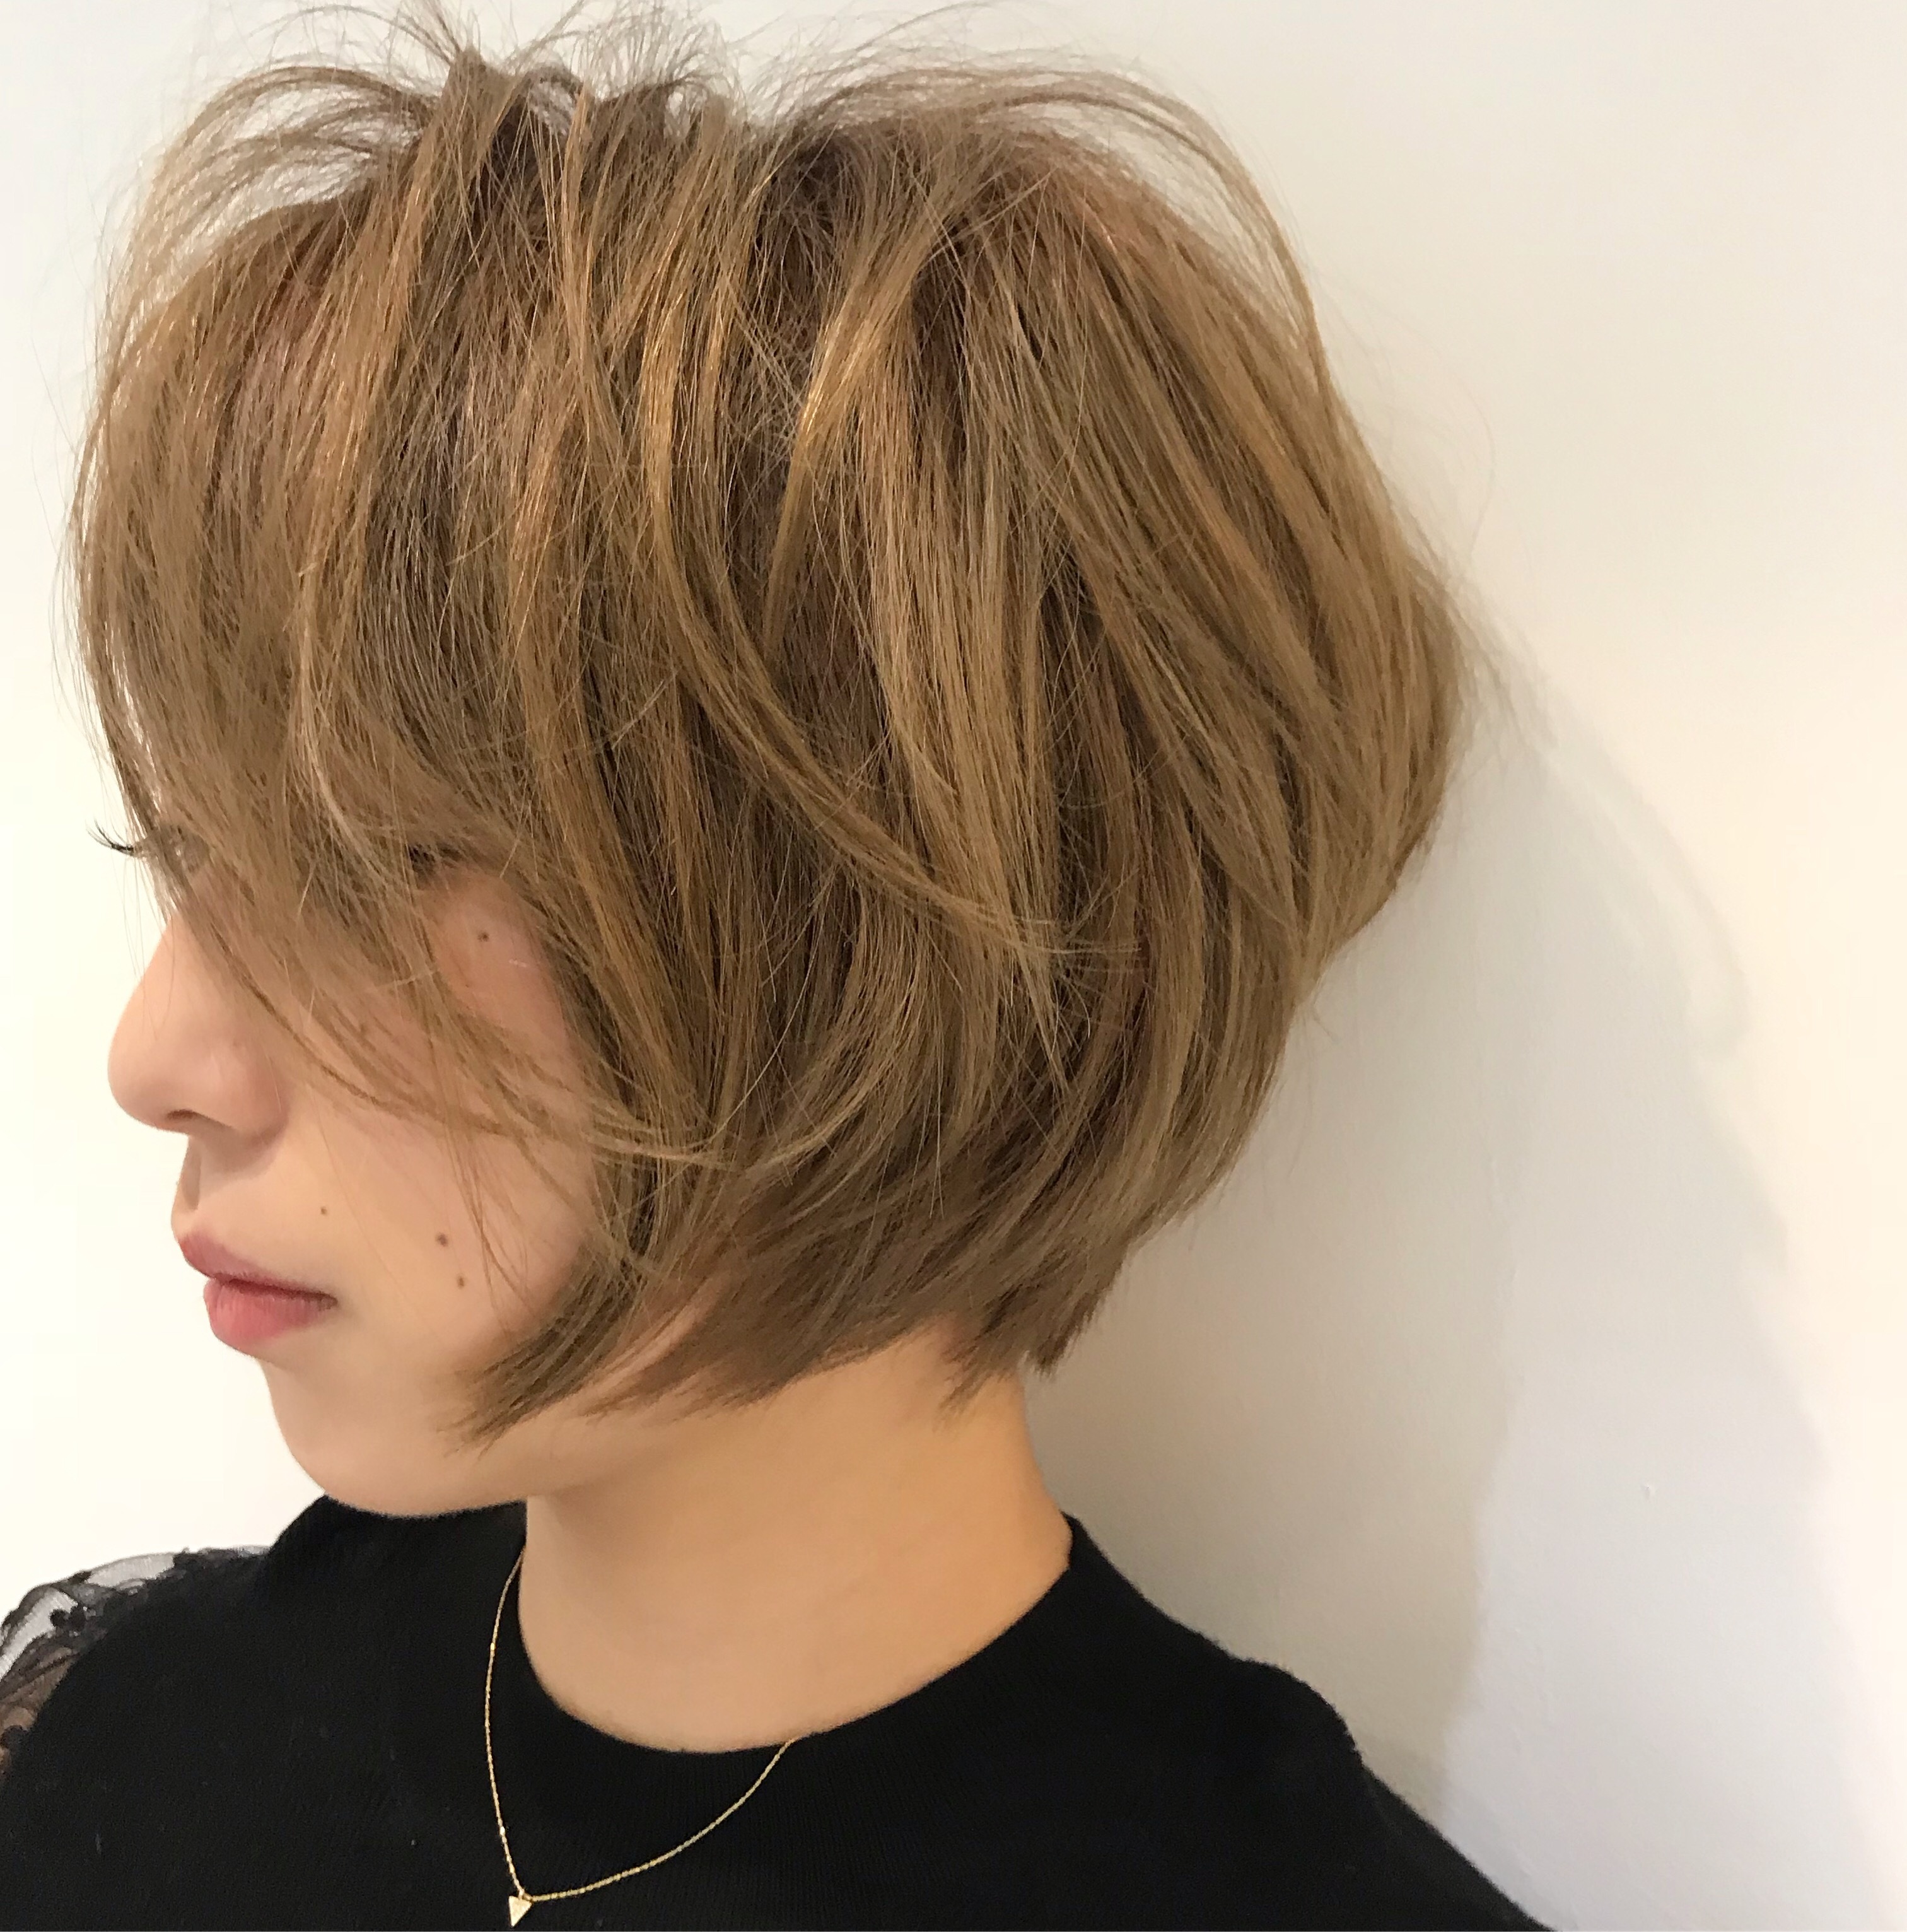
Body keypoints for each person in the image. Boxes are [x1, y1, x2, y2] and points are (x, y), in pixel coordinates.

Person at [0, 1, 1537, 1924]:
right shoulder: (130, 1741)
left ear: (907, 942)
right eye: (185, 853)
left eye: (370, 865)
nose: (159, 1054)